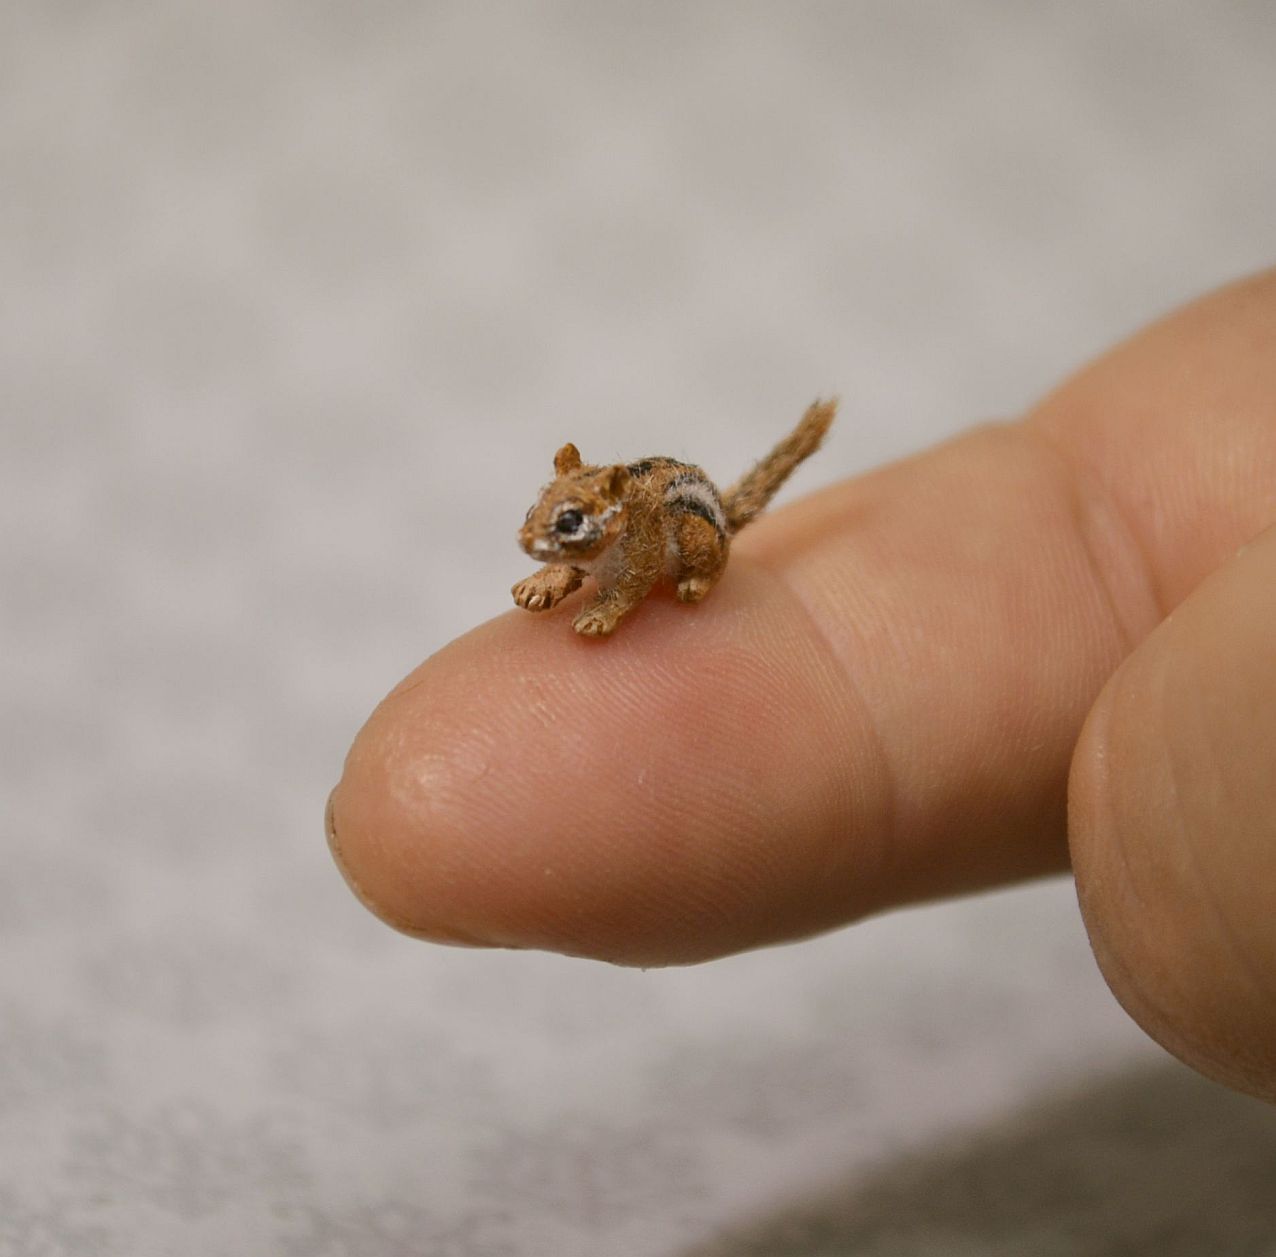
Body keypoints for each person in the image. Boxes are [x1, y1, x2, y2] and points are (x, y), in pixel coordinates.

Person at [327, 269, 1276, 1104]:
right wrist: (562, 578)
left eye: (564, 527)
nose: (547, 537)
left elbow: (632, 572)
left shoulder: (644, 528)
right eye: (547, 524)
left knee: (693, 549)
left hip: (697, 541)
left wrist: (618, 603)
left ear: (606, 505)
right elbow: (589, 568)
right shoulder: (600, 525)